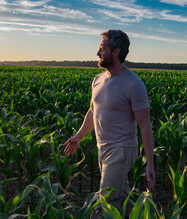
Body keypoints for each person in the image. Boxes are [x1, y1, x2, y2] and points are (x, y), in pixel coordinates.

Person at [63, 29, 155, 212]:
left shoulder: (133, 84)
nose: (97, 53)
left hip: (121, 149)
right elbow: (92, 111)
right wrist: (79, 136)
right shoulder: (98, 80)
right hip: (102, 148)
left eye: (101, 49)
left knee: (105, 203)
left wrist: (150, 164)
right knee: (123, 195)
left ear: (115, 52)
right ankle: (148, 214)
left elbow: (145, 125)